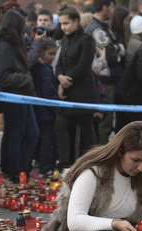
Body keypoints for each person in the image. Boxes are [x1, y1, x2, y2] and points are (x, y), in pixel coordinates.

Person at [0, 10, 40, 180]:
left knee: (31, 133)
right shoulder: (3, 46)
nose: (25, 29)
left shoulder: (13, 44)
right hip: (13, 95)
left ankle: (19, 168)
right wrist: (25, 78)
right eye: (22, 26)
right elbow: (1, 77)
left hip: (21, 94)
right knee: (17, 134)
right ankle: (16, 171)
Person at [55, 5, 98, 170]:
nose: (62, 27)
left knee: (86, 130)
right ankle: (65, 164)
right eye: (61, 24)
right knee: (62, 126)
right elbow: (59, 64)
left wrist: (67, 81)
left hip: (83, 91)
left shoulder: (86, 39)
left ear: (76, 21)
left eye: (66, 23)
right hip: (67, 91)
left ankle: (91, 163)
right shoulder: (66, 39)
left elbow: (84, 65)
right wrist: (60, 79)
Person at [86, 0, 125, 145]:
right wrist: (117, 50)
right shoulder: (97, 30)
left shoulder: (105, 27)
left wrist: (118, 48)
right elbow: (109, 55)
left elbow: (121, 47)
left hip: (111, 80)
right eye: (111, 7)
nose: (113, 10)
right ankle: (102, 159)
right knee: (104, 124)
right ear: (105, 8)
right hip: (104, 81)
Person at [31, 40, 59, 178]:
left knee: (41, 139)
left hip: (39, 110)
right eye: (50, 53)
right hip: (47, 112)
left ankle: (40, 163)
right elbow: (48, 92)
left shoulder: (35, 68)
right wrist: (55, 109)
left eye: (55, 54)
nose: (53, 57)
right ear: (42, 52)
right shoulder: (46, 70)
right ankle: (46, 168)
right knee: (48, 141)